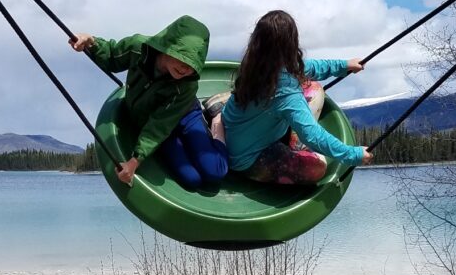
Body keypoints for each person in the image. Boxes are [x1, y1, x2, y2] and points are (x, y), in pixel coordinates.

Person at [209, 10, 372, 184]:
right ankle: (295, 145)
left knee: (314, 88)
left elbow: (308, 67)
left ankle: (220, 104)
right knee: (318, 167)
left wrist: (344, 65)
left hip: (232, 133)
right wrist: (352, 154)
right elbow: (312, 136)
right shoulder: (286, 92)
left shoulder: (254, 65)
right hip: (247, 160)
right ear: (291, 43)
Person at [70, 15, 228, 189]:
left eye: (192, 65)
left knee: (215, 172)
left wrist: (134, 162)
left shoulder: (187, 84)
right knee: (192, 180)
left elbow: (160, 125)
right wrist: (90, 42)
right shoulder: (138, 49)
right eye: (182, 59)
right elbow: (112, 57)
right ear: (168, 47)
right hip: (159, 124)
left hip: (186, 115)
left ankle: (217, 118)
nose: (185, 69)